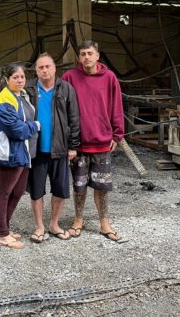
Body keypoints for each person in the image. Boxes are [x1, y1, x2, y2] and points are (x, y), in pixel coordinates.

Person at [62, 40, 124, 241]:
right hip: (78, 143)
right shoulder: (69, 77)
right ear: (79, 57)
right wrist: (65, 138)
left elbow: (117, 106)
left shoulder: (109, 78)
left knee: (101, 186)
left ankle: (104, 223)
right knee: (79, 185)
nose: (86, 57)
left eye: (90, 53)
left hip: (101, 142)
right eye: (83, 54)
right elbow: (60, 108)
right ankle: (78, 220)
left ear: (97, 55)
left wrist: (117, 134)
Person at [25, 53, 80, 243]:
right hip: (36, 150)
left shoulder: (66, 88)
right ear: (36, 70)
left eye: (48, 66)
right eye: (41, 67)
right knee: (36, 190)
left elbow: (74, 119)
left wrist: (73, 146)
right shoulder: (29, 89)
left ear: (55, 68)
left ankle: (54, 224)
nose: (45, 70)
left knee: (59, 189)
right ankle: (39, 226)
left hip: (60, 148)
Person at [0, 63, 40, 249]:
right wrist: (35, 126)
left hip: (23, 152)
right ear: (7, 79)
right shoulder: (4, 100)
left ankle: (4, 229)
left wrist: (29, 126)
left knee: (17, 192)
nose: (19, 80)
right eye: (15, 77)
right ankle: (2, 235)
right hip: (9, 153)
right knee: (2, 193)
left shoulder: (22, 95)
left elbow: (24, 122)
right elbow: (17, 130)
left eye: (22, 77)